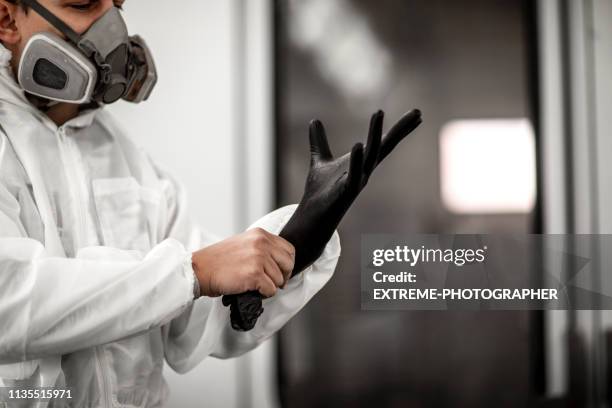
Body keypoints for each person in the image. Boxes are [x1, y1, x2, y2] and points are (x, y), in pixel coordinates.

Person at [0, 1, 341, 406]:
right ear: (7, 20)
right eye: (84, 4)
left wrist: (301, 238)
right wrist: (190, 272)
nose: (113, 27)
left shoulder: (127, 159)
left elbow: (194, 326)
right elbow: (10, 303)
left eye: (117, 5)